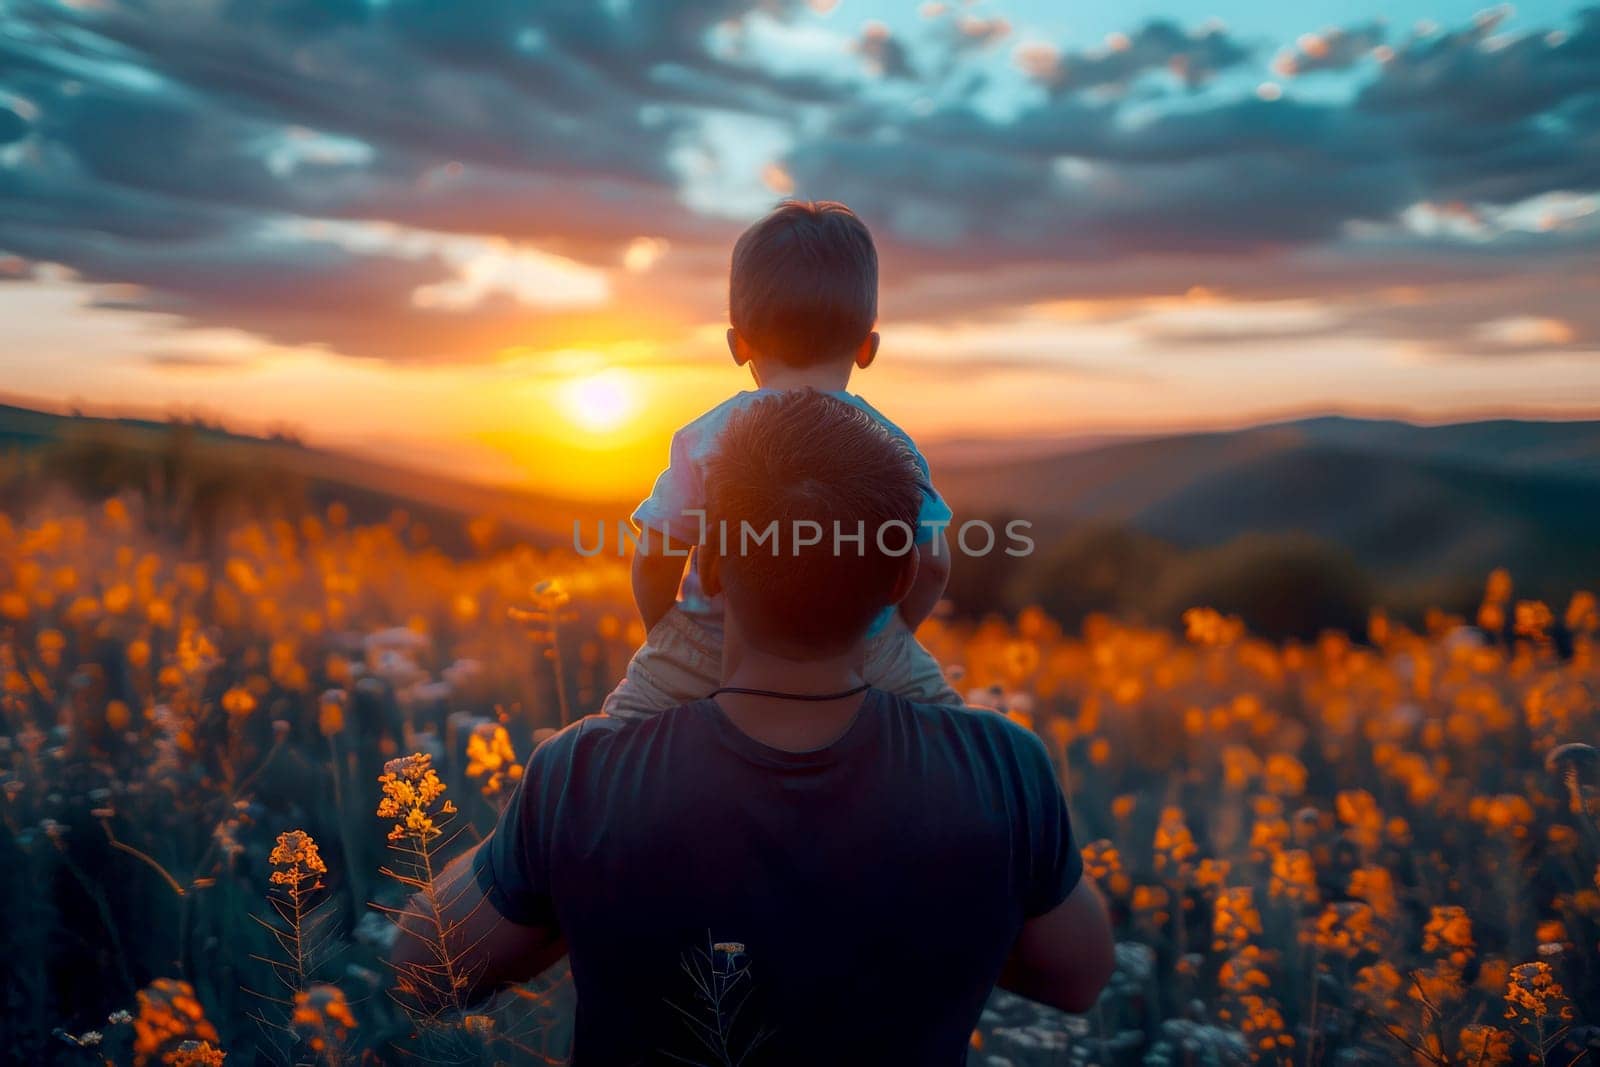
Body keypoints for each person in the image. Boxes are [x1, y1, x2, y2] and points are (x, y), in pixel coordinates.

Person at [391, 391, 1115, 1065]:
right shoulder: (1003, 768)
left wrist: (558, 859)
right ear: (898, 583)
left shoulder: (582, 775)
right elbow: (1080, 980)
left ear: (705, 565)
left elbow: (421, 970)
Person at [602, 199, 962, 719]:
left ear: (736, 343)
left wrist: (667, 633)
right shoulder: (893, 444)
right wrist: (893, 629)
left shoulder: (704, 439)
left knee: (613, 742)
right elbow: (932, 564)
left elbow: (657, 555)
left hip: (709, 641)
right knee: (958, 737)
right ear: (868, 347)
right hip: (868, 646)